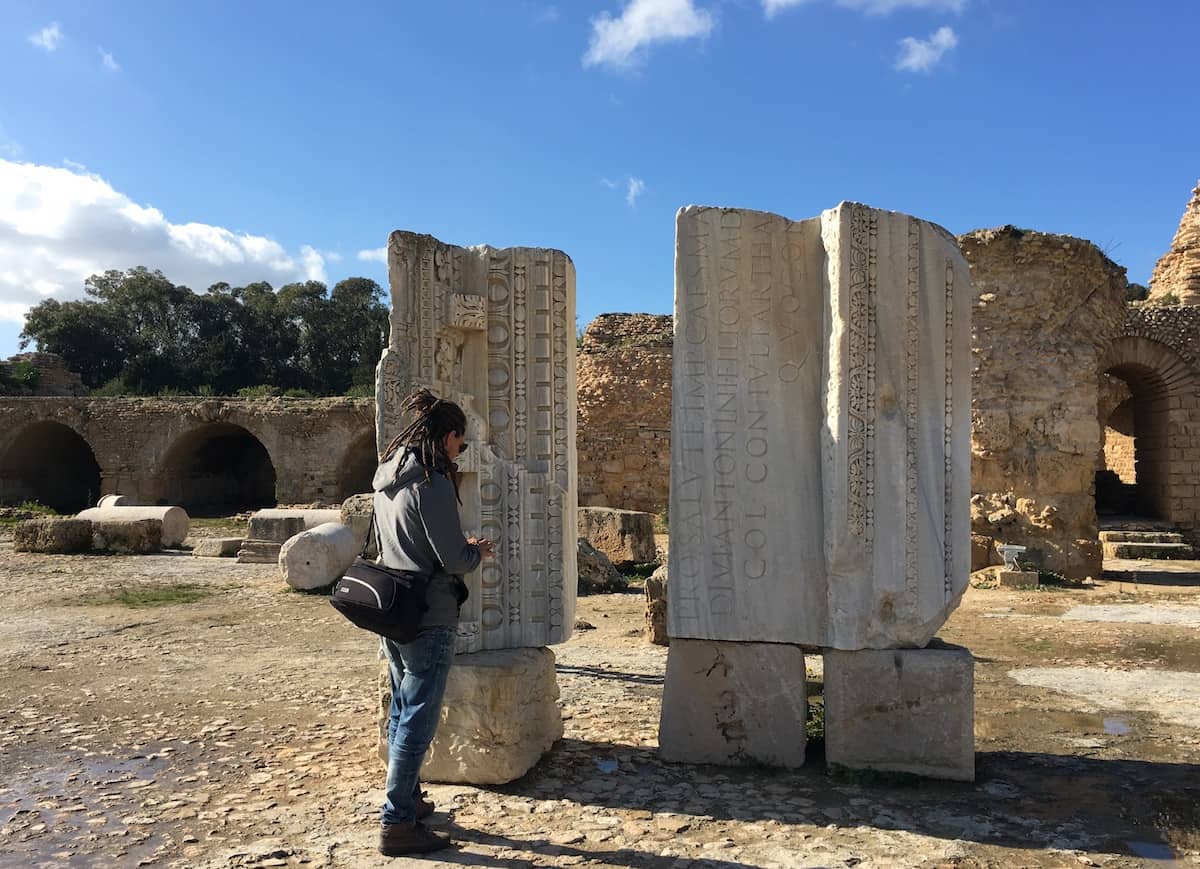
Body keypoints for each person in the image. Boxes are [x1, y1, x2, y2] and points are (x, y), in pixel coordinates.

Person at [371, 387, 495, 857]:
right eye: (460, 444)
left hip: (393, 608)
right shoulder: (432, 483)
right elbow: (452, 558)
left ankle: (407, 799)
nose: (460, 452)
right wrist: (476, 551)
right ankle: (397, 823)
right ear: (447, 437)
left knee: (403, 710)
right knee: (418, 721)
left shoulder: (387, 479)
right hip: (430, 611)